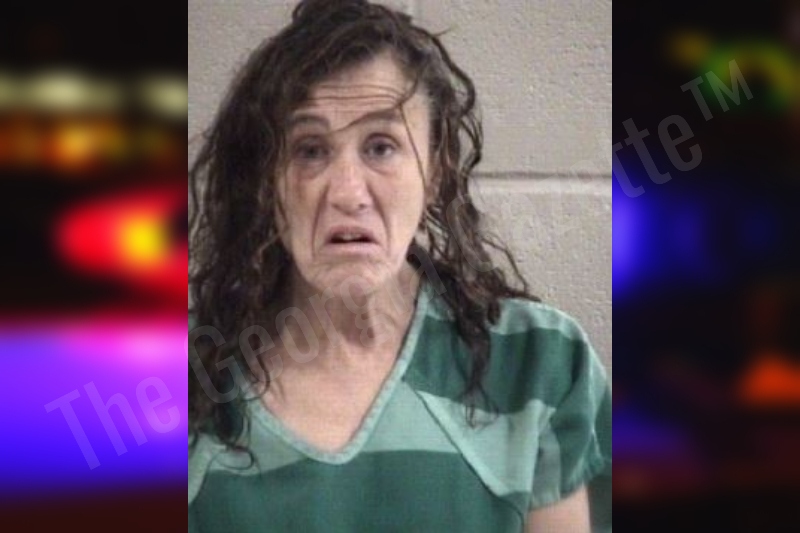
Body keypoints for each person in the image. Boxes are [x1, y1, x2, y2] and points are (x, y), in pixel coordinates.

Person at [188, 1, 611, 531]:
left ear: (435, 172)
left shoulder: (538, 364)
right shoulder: (180, 383)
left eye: (381, 147)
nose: (348, 193)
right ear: (265, 183)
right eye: (310, 150)